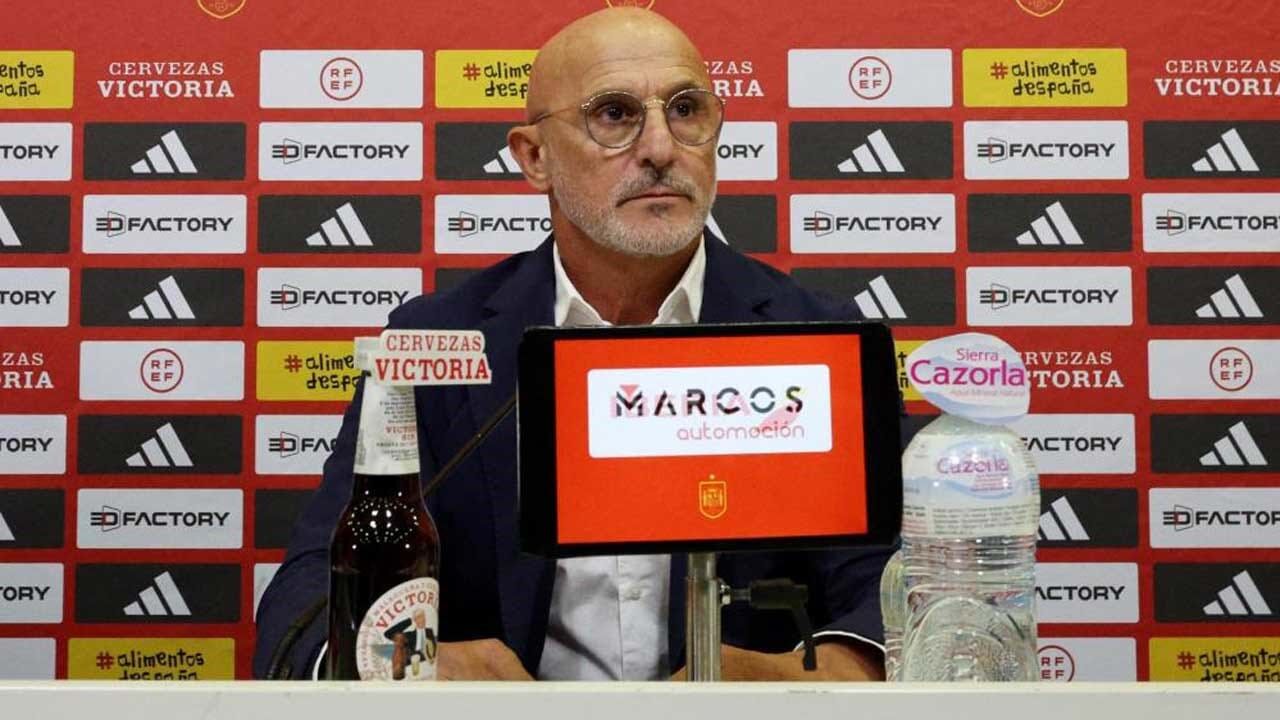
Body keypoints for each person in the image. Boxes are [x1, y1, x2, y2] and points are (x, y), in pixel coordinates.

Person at [254, 7, 892, 681]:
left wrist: (822, 671)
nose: (660, 147)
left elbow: (890, 580)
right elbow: (309, 599)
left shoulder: (815, 337)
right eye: (614, 115)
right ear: (535, 158)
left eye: (685, 110)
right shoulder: (435, 346)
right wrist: (401, 665)